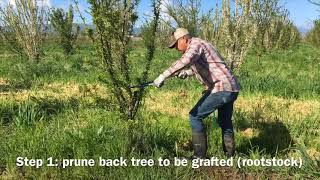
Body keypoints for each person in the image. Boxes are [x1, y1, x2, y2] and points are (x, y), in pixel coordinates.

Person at [153, 28, 240, 158]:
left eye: (176, 44)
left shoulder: (195, 45)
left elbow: (185, 61)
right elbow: (206, 65)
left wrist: (162, 76)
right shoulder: (201, 45)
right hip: (231, 87)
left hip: (221, 87)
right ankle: (230, 156)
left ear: (184, 39)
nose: (176, 48)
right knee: (225, 121)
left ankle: (199, 157)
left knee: (195, 116)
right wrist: (186, 73)